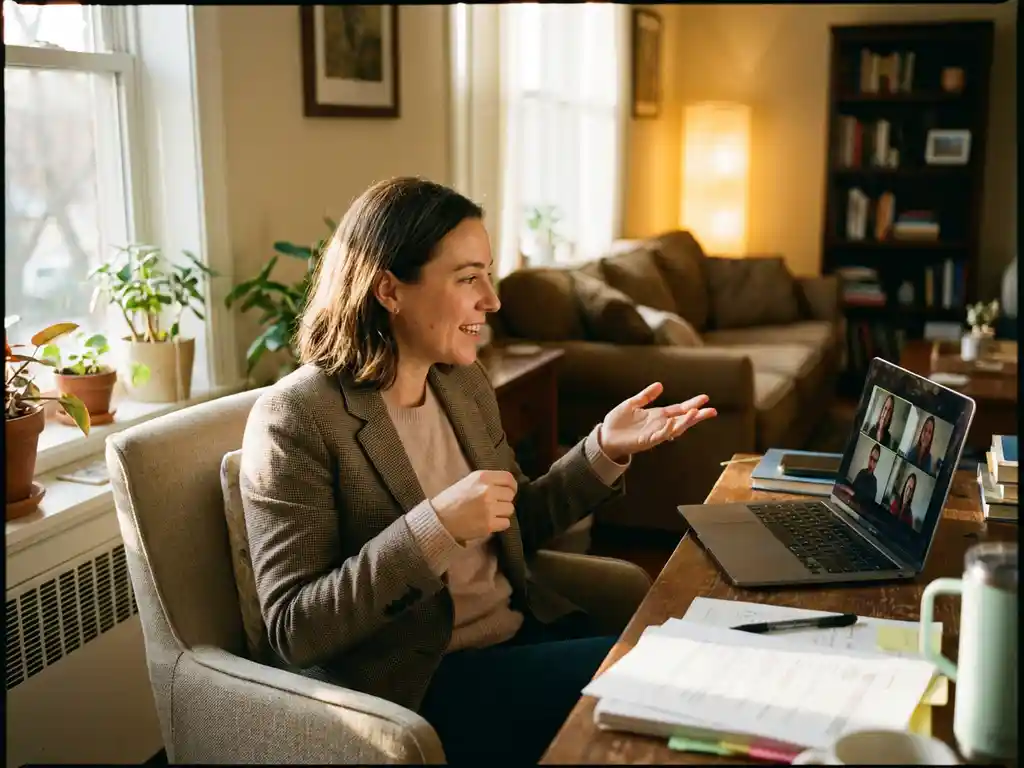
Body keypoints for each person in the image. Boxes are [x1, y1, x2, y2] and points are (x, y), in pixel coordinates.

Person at [239, 177, 718, 765]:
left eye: (487, 274)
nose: (491, 300)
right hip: (425, 680)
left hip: (520, 635)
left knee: (694, 660)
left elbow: (518, 524)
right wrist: (433, 528)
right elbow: (294, 629)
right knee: (676, 681)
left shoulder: (460, 382)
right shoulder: (297, 418)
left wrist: (603, 450)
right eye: (467, 278)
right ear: (389, 290)